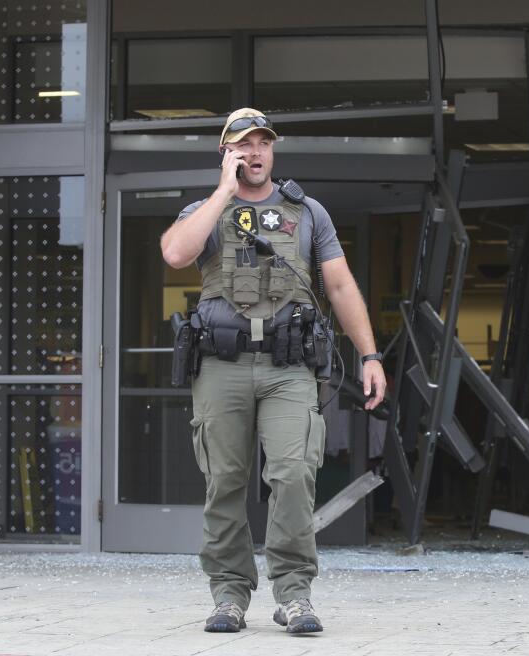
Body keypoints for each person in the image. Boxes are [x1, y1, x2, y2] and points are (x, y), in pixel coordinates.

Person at [160, 108, 387, 635]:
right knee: (225, 481)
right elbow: (174, 253)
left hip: (289, 367)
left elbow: (340, 286)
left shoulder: (307, 212)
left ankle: (294, 594)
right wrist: (222, 192)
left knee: (292, 475)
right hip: (221, 365)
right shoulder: (204, 210)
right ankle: (229, 594)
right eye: (244, 144)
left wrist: (370, 356)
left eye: (264, 142)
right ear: (227, 152)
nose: (256, 152)